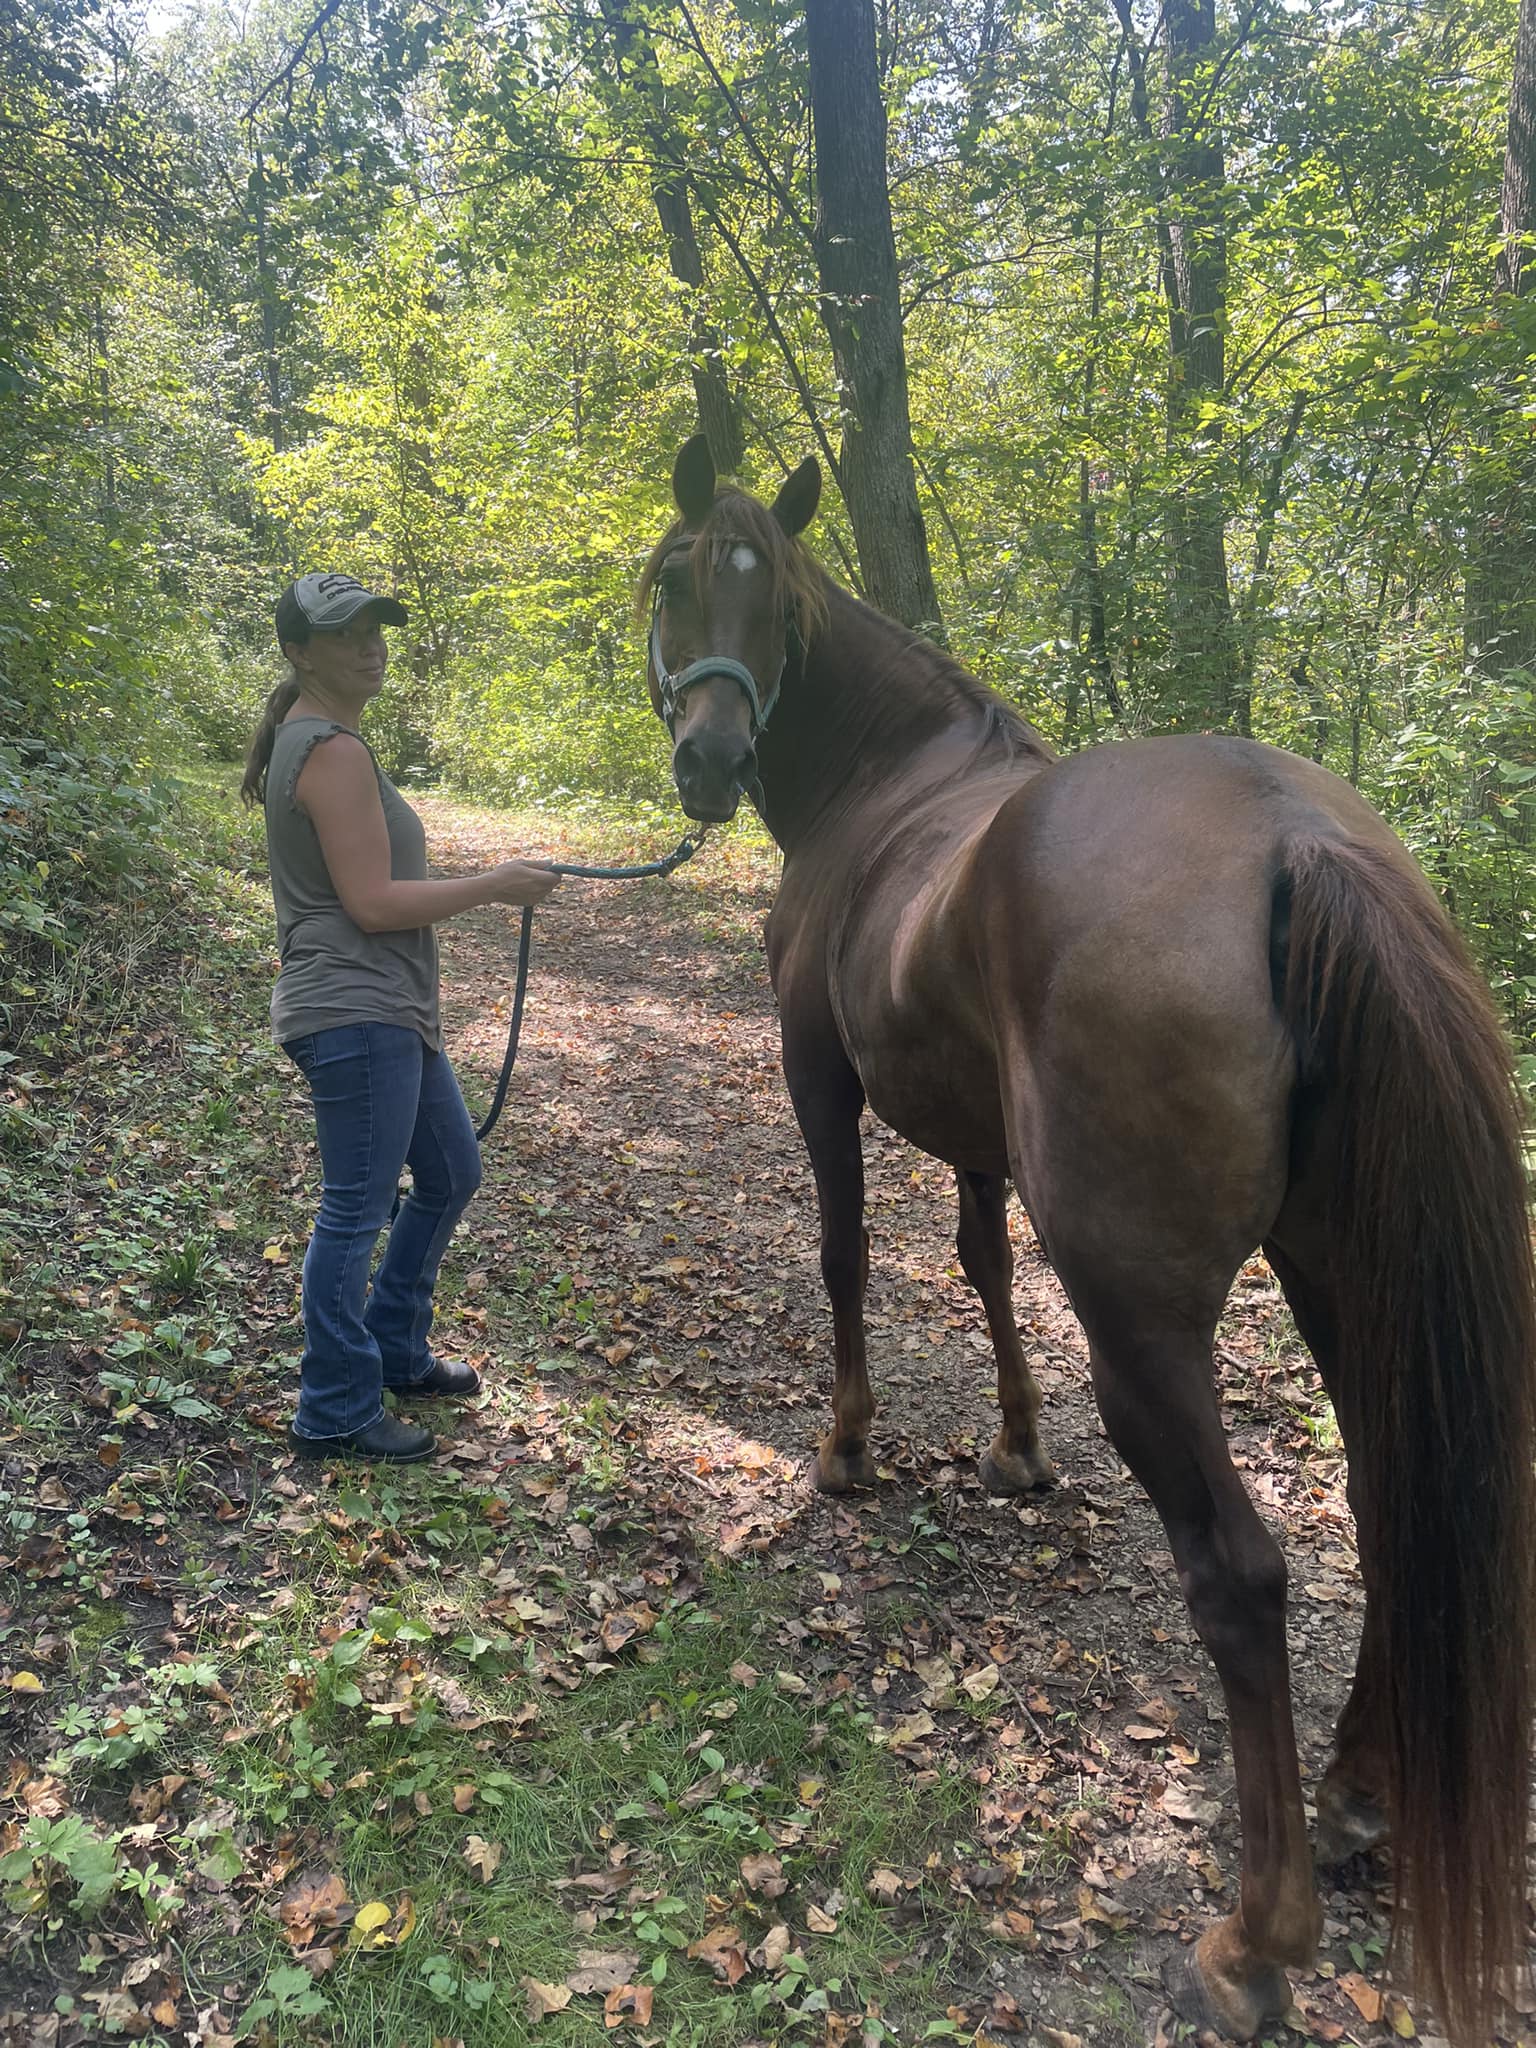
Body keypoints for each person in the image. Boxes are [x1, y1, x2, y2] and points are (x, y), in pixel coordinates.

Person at [241, 572, 560, 1463]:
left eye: (375, 628)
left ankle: (393, 1348)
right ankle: (335, 1407)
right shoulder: (330, 749)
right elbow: (374, 903)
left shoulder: (320, 739)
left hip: (383, 1010)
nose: (370, 646)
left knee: (451, 1171)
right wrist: (494, 884)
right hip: (354, 1009)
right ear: (299, 652)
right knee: (355, 1210)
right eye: (346, 634)